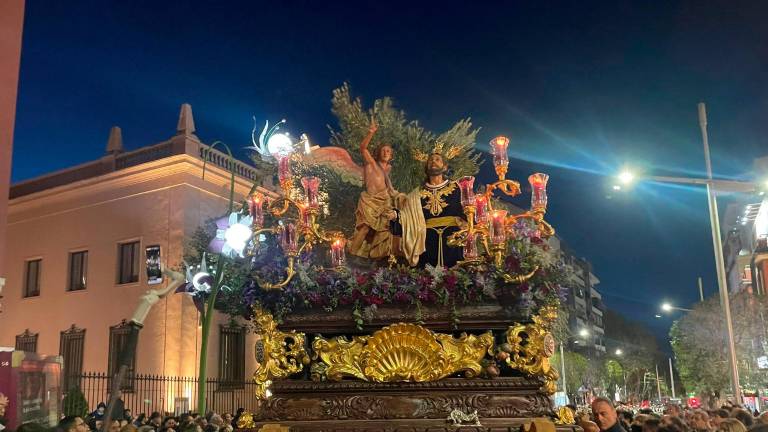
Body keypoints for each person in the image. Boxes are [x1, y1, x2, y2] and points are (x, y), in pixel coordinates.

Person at [397, 149, 466, 268]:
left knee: (455, 275)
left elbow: (468, 210)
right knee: (426, 278)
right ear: (426, 167)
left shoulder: (457, 188)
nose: (433, 161)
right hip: (426, 240)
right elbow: (406, 217)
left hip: (453, 238)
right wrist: (395, 215)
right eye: (430, 160)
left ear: (444, 167)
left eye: (437, 159)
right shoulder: (416, 194)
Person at [349, 118, 400, 260]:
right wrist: (371, 132)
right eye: (383, 150)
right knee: (365, 228)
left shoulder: (388, 169)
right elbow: (363, 148)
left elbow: (388, 186)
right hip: (370, 200)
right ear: (378, 153)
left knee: (383, 231)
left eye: (388, 151)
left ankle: (375, 257)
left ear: (391, 155)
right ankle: (352, 255)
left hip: (384, 201)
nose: (385, 152)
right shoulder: (371, 163)